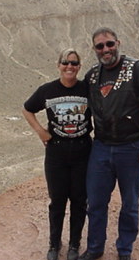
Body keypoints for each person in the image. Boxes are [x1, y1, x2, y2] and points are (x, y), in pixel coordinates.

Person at [78, 27, 139, 260]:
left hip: (131, 148)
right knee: (95, 202)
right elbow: (80, 101)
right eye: (100, 46)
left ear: (118, 43)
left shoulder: (137, 70)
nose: (106, 49)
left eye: (110, 44)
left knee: (130, 203)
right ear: (94, 49)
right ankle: (95, 248)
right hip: (101, 147)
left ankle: (124, 250)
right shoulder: (93, 75)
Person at [22, 48, 92, 260]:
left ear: (79, 67)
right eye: (65, 62)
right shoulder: (47, 90)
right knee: (58, 200)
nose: (69, 66)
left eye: (74, 63)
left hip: (82, 151)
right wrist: (41, 132)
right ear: (58, 65)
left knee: (79, 200)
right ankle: (54, 244)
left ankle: (74, 244)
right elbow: (27, 109)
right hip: (56, 153)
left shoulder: (87, 89)